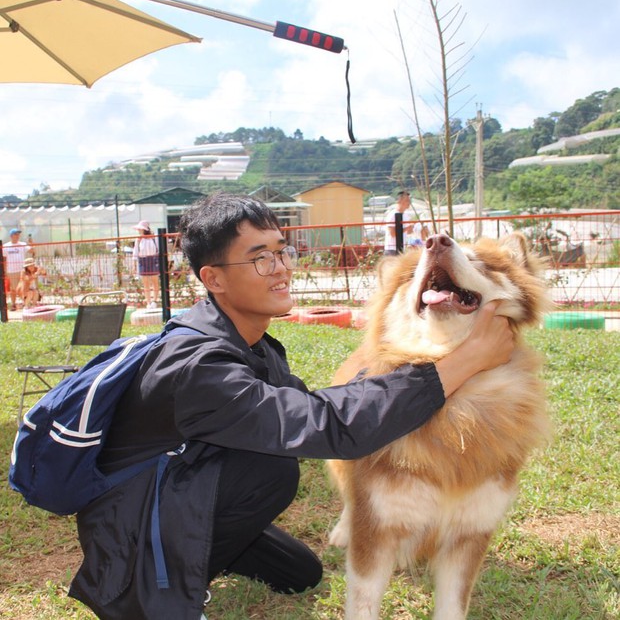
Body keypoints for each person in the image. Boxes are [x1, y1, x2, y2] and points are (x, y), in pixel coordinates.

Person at [69, 193, 515, 620]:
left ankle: (211, 544)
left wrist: (385, 371)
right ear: (214, 279)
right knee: (274, 470)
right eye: (260, 258)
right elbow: (321, 426)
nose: (280, 269)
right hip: (135, 520)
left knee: (301, 573)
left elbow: (307, 402)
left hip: (190, 482)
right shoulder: (198, 365)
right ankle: (153, 582)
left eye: (283, 253)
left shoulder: (251, 344)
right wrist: (465, 361)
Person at [132, 220, 160, 308]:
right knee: (146, 282)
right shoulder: (139, 239)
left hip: (153, 259)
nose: (139, 231)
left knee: (155, 281)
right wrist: (134, 265)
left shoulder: (153, 238)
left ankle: (154, 301)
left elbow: (158, 249)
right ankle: (148, 302)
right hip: (142, 260)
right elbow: (135, 252)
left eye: (140, 229)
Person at [2, 228, 32, 311]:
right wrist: (4, 271)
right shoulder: (6, 246)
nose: (17, 236)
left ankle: (24, 303)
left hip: (22, 270)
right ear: (11, 236)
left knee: (24, 287)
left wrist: (31, 243)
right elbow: (4, 259)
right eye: (16, 234)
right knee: (13, 289)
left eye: (18, 234)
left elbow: (32, 251)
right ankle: (13, 304)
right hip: (11, 270)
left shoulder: (22, 244)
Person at [383, 191, 414, 255]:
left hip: (402, 248)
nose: (409, 203)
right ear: (400, 201)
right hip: (392, 249)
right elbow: (393, 233)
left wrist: (411, 228)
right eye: (407, 200)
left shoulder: (406, 215)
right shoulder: (392, 215)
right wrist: (407, 228)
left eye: (409, 200)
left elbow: (408, 232)